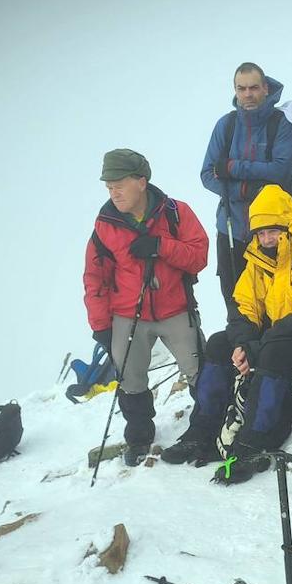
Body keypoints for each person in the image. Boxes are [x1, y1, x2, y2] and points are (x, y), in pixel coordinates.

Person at [160, 185, 292, 484]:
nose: (266, 239)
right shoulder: (258, 259)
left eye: (272, 232)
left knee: (275, 354)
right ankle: (202, 430)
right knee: (219, 343)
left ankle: (253, 441)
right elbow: (242, 305)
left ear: (288, 225)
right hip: (280, 333)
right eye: (260, 233)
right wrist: (242, 344)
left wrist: (256, 348)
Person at [85, 149, 210, 466]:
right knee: (130, 379)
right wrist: (101, 325)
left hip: (176, 309)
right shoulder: (105, 225)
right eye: (109, 186)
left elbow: (199, 256)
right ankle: (139, 439)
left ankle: (210, 426)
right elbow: (95, 277)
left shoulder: (175, 213)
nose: (113, 192)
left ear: (141, 181)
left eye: (119, 184)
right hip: (127, 315)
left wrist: (161, 246)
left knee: (199, 372)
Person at [202, 62, 292, 309]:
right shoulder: (225, 126)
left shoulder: (283, 123)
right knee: (236, 304)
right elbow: (207, 174)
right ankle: (239, 347)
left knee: (279, 306)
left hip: (276, 232)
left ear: (266, 88)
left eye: (254, 87)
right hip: (232, 229)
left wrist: (234, 168)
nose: (248, 94)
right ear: (235, 90)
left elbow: (279, 172)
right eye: (241, 88)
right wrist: (245, 190)